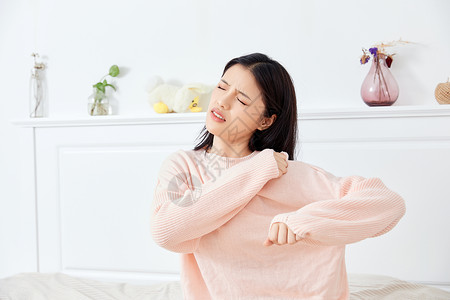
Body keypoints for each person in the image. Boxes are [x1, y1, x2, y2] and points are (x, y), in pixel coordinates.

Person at [150, 53, 406, 299]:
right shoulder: (184, 166)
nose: (222, 101)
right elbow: (165, 230)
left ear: (265, 121)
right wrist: (253, 170)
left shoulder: (284, 172)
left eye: (241, 100)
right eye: (221, 87)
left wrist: (307, 222)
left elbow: (389, 204)